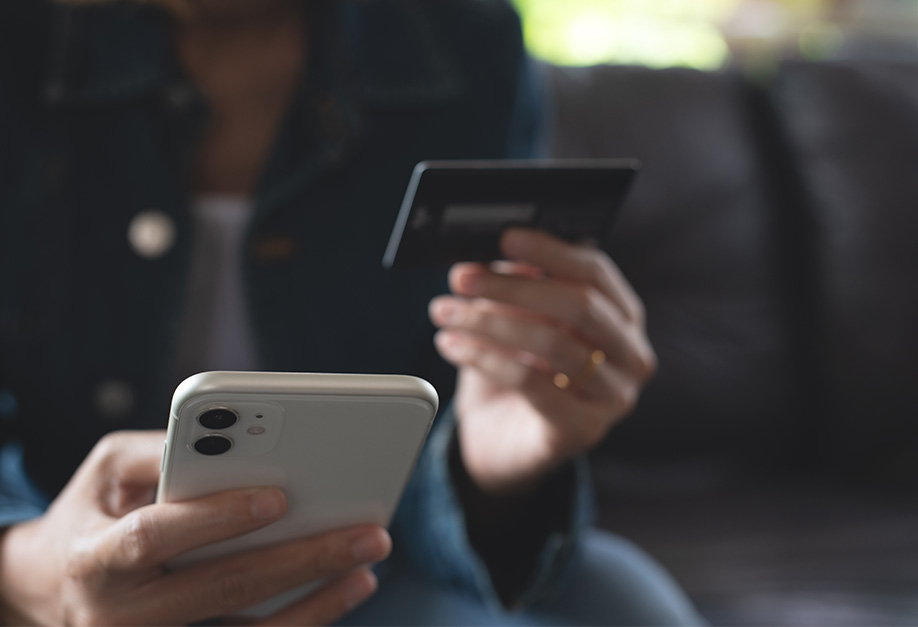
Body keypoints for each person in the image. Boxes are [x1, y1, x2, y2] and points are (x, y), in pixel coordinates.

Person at [0, 0, 702, 624]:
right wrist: (23, 565)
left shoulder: (464, 42)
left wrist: (484, 463)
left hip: (364, 548)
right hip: (54, 542)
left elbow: (441, 420)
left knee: (625, 598)